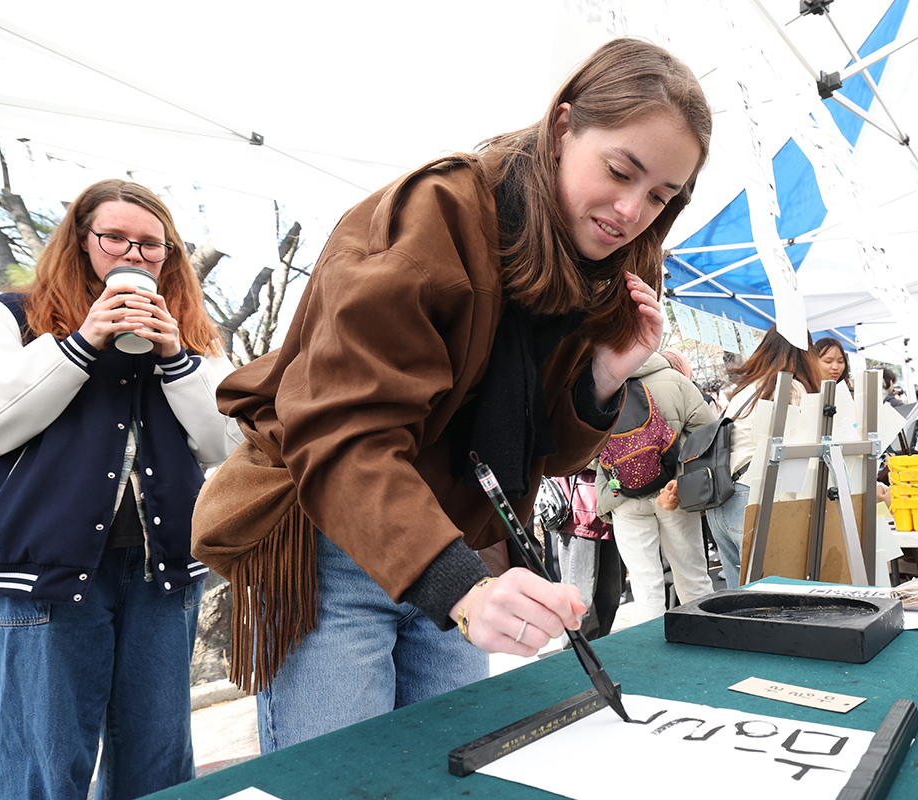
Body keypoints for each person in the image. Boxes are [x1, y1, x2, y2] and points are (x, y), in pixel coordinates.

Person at [189, 38, 712, 752]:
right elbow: (341, 430)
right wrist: (461, 587)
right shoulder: (434, 213)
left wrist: (603, 377)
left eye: (661, 197)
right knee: (345, 778)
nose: (631, 210)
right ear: (562, 128)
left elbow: (538, 455)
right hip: (336, 542)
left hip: (457, 547)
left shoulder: (588, 269)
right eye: (621, 171)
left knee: (449, 767)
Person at [0, 179, 241, 799]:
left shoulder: (188, 335)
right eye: (114, 239)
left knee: (156, 764)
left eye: (151, 246)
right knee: (45, 765)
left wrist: (177, 358)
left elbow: (229, 446)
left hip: (164, 571)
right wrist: (81, 343)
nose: (132, 255)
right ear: (81, 243)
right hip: (48, 572)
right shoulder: (13, 315)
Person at [662, 325, 821, 589]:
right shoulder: (791, 390)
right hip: (759, 499)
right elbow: (806, 456)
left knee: (742, 603)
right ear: (805, 354)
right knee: (776, 601)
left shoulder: (747, 390)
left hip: (722, 501)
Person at [596, 349, 715, 623]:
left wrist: (616, 469)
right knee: (693, 576)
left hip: (622, 498)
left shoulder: (599, 386)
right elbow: (707, 433)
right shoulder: (675, 380)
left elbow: (585, 450)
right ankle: (707, 641)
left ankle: (655, 658)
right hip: (674, 493)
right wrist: (679, 478)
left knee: (645, 585)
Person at [547, 462, 622, 642]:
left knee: (610, 597)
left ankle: (600, 650)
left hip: (609, 509)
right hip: (579, 511)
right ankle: (575, 656)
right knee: (581, 602)